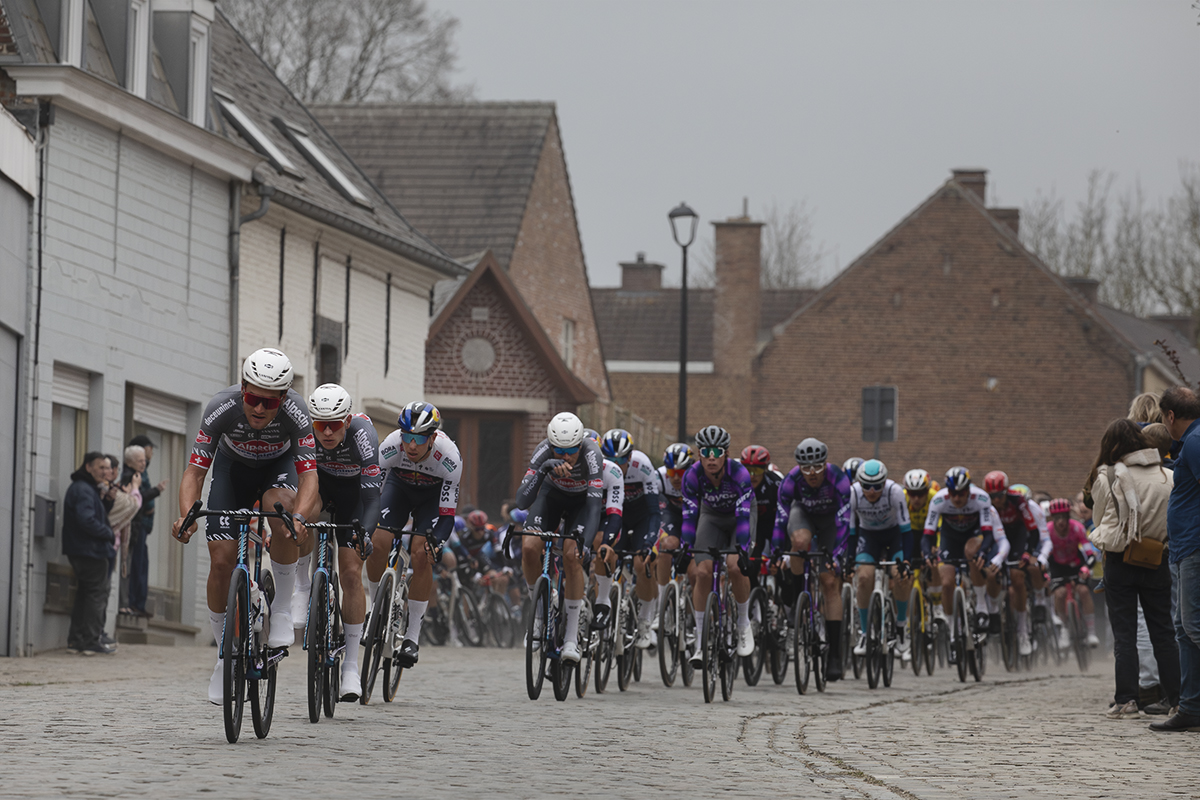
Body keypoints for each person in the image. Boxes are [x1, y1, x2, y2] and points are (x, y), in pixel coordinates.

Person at [173, 347, 318, 704]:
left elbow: (310, 478)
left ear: (283, 399)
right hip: (232, 470)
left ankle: (282, 608)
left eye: (270, 404)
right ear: (242, 388)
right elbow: (194, 472)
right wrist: (186, 515)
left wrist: (298, 517)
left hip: (277, 468)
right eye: (253, 398)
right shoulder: (221, 407)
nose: (259, 408)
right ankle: (224, 654)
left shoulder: (297, 412)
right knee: (221, 561)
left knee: (281, 511)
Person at [1086, 418, 1179, 720]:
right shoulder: (1168, 476)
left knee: (1124, 633)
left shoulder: (1110, 475)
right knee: (1163, 632)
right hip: (1156, 558)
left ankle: (1127, 699)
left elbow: (1100, 518)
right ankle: (1177, 698)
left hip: (1120, 559)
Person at [299, 384, 380, 700]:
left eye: (335, 424)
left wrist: (365, 533)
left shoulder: (363, 435)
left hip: (354, 496)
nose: (327, 432)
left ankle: (351, 667)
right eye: (320, 425)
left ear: (347, 421)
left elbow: (373, 498)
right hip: (318, 485)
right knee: (303, 517)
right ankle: (302, 587)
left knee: (349, 574)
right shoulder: (305, 431)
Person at [370, 401, 462, 668]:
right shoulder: (390, 446)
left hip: (431, 498)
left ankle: (412, 637)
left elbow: (446, 516)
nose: (411, 445)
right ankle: (376, 608)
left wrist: (438, 542)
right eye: (407, 436)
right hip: (399, 488)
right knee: (377, 542)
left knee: (422, 554)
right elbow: (372, 495)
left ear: (432, 437)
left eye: (419, 439)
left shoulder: (449, 458)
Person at [515, 412, 603, 663]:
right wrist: (543, 470)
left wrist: (584, 542)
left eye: (571, 450)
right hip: (551, 497)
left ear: (580, 443)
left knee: (571, 555)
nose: (565, 456)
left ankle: (572, 639)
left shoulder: (591, 454)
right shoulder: (543, 452)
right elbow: (522, 501)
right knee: (530, 547)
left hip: (582, 503)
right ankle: (540, 614)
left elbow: (595, 507)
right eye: (559, 450)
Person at [772, 438, 851, 680]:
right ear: (799, 467)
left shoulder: (838, 479)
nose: (812, 473)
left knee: (829, 582)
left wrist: (837, 556)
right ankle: (799, 601)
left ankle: (835, 655)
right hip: (803, 515)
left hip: (831, 524)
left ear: (825, 464)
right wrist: (777, 550)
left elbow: (845, 523)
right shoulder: (791, 480)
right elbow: (781, 518)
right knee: (798, 543)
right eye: (806, 468)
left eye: (817, 466)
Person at [682, 425, 756, 665]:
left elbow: (744, 517)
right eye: (705, 451)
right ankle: (701, 640)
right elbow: (689, 516)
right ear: (699, 454)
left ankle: (744, 624)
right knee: (702, 571)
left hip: (739, 518)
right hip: (711, 515)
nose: (711, 457)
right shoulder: (691, 476)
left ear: (726, 453)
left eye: (717, 451)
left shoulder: (740, 474)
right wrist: (686, 547)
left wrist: (742, 549)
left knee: (734, 566)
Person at [1153, 386, 1200, 731]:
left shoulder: (1196, 442)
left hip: (1195, 547)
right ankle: (1191, 707)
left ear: (1170, 416)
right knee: (1185, 629)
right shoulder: (1191, 443)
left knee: (1194, 627)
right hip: (1185, 546)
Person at [922, 467, 1009, 634]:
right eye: (953, 493)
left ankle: (982, 607)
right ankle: (953, 631)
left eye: (961, 493)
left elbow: (988, 533)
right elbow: (927, 535)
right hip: (950, 538)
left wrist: (983, 552)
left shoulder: (981, 498)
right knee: (946, 583)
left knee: (972, 553)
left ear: (968, 490)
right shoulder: (939, 500)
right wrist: (927, 553)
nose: (956, 498)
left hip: (973, 534)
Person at [598, 429, 660, 647]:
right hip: (617, 517)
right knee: (605, 555)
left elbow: (655, 511)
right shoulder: (601, 469)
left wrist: (647, 544)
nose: (618, 463)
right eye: (611, 459)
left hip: (642, 517)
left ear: (630, 456)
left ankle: (644, 620)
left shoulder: (642, 466)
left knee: (641, 564)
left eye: (622, 458)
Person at [849, 460, 914, 661]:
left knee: (899, 575)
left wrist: (907, 561)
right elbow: (851, 531)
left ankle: (902, 627)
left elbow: (906, 530)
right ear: (860, 483)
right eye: (866, 486)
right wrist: (850, 559)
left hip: (893, 536)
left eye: (878, 485)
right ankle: (865, 634)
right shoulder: (853, 493)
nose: (872, 491)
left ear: (885, 483)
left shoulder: (895, 492)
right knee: (864, 577)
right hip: (868, 537)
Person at [983, 471, 1049, 657]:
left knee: (1017, 576)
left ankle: (1022, 632)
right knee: (991, 573)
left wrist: (1028, 553)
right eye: (992, 497)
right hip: (997, 537)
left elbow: (1033, 531)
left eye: (999, 496)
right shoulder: (985, 504)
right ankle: (994, 612)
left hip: (1018, 536)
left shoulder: (1018, 501)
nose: (996, 500)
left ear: (1006, 491)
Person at [63, 452, 118, 655]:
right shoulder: (84, 490)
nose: (106, 472)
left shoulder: (86, 489)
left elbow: (92, 514)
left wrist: (108, 502)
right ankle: (89, 641)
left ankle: (76, 641)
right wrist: (108, 533)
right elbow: (86, 519)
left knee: (84, 595)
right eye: (101, 467)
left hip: (83, 549)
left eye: (108, 468)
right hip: (90, 551)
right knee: (96, 595)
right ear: (88, 467)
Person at [125, 435, 166, 619]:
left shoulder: (141, 472)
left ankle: (139, 603)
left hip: (143, 526)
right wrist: (156, 491)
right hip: (137, 526)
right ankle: (134, 603)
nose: (148, 458)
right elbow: (138, 497)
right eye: (148, 449)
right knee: (136, 565)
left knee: (142, 565)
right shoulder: (132, 475)